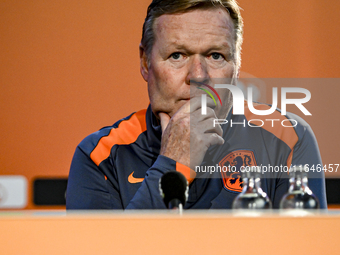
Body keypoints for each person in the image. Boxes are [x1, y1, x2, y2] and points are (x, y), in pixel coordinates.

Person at [66, 0, 327, 209]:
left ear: (236, 65)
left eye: (216, 55)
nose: (198, 76)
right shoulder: (100, 156)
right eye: (177, 55)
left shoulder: (287, 136)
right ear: (146, 63)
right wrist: (172, 163)